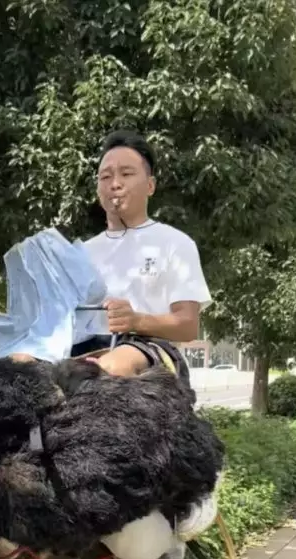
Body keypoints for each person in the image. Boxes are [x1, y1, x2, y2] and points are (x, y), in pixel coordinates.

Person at [70, 129, 211, 378]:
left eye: (126, 174)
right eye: (105, 177)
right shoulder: (79, 254)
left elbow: (188, 326)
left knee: (109, 369)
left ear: (150, 185)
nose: (115, 184)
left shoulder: (175, 243)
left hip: (151, 349)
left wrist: (136, 321)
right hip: (85, 349)